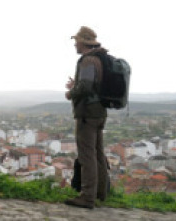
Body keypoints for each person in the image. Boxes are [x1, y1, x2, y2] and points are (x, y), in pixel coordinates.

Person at [64, 26, 109, 209]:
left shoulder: (88, 60)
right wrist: (79, 84)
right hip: (99, 112)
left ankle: (87, 197)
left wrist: (72, 93)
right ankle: (100, 193)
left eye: (76, 41)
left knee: (87, 155)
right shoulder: (100, 58)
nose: (75, 44)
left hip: (87, 114)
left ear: (82, 42)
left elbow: (87, 87)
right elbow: (93, 84)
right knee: (98, 153)